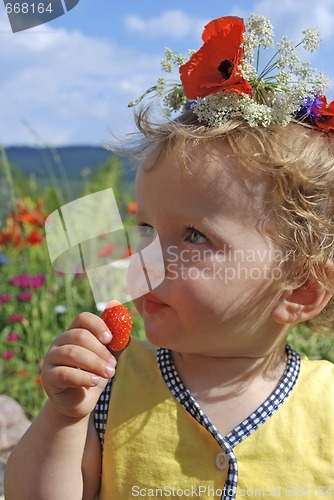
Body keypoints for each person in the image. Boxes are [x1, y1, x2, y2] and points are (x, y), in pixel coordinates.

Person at [4, 14, 334, 500]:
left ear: (300, 289)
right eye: (145, 229)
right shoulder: (110, 389)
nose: (143, 260)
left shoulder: (327, 407)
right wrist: (62, 416)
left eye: (195, 237)